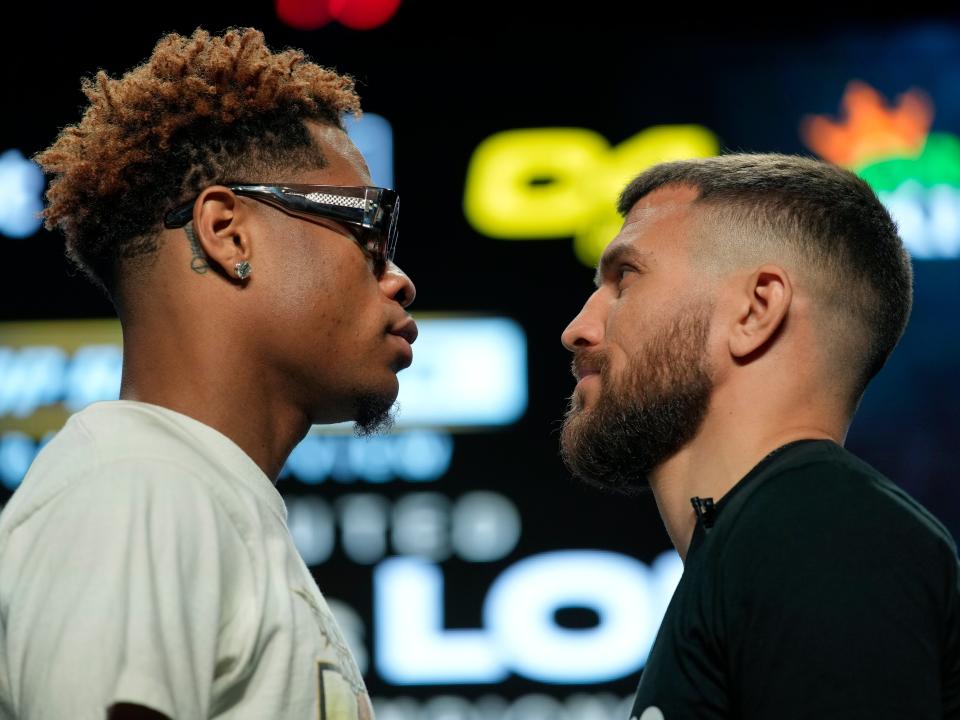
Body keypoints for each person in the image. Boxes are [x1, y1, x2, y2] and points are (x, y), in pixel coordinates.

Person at [0, 27, 416, 719]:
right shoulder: (139, 486)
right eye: (367, 229)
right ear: (228, 233)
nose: (398, 280)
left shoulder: (190, 492)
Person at [559, 154, 960, 719]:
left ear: (756, 309)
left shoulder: (822, 534)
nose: (577, 329)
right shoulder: (762, 543)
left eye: (624, 279)